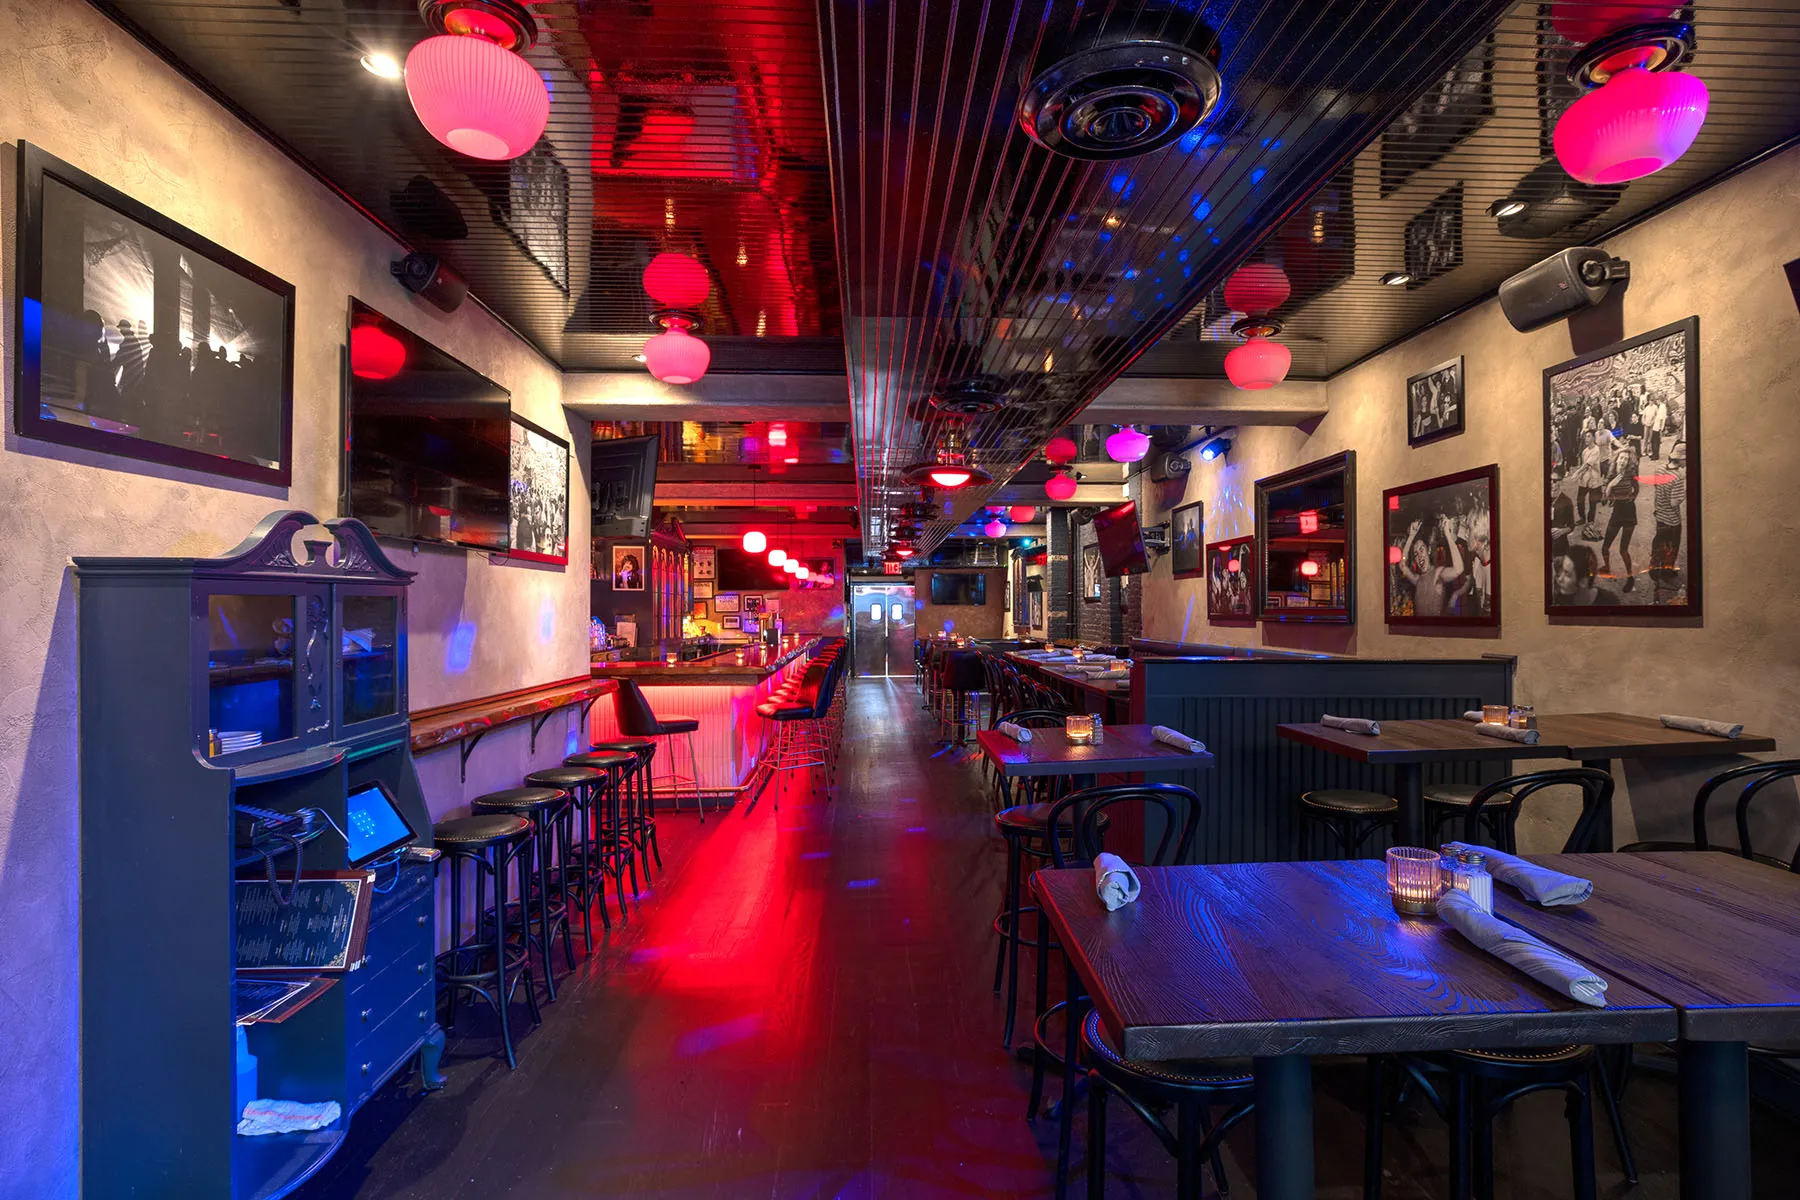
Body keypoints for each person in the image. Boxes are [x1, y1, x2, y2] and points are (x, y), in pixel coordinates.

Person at [1398, 514, 1464, 617]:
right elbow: (1402, 565)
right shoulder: (1417, 580)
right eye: (1416, 554)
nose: (1419, 555)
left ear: (1428, 550)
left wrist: (1447, 535)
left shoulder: (1437, 574)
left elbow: (1458, 569)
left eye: (1421, 550)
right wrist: (1411, 537)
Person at [1599, 439, 1640, 593]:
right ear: (1617, 459)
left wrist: (1632, 498)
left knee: (1623, 550)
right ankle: (1607, 566)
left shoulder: (1631, 473)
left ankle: (1630, 578)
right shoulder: (1611, 474)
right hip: (1616, 513)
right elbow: (1605, 500)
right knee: (1605, 547)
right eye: (1621, 458)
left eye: (1626, 459)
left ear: (1628, 461)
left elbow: (1636, 489)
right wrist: (1610, 486)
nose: (1623, 460)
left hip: (1629, 513)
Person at [1649, 439, 1686, 598]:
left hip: (1660, 514)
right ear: (1681, 459)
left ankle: (1654, 570)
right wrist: (1684, 492)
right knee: (1671, 547)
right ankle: (1666, 574)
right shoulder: (1678, 476)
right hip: (1672, 519)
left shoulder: (1659, 469)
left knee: (1659, 542)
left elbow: (1658, 489)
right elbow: (1674, 502)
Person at [1551, 542, 1620, 607]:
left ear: (1583, 581)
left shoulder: (1609, 603)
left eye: (1567, 574)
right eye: (1561, 571)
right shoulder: (1558, 600)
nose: (1559, 579)